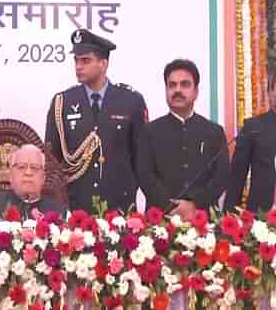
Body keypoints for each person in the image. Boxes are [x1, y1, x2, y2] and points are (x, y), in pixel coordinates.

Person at [45, 29, 147, 213]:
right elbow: (53, 159)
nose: (78, 66)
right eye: (76, 60)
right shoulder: (63, 102)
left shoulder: (131, 101)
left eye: (86, 60)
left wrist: (128, 188)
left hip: (119, 207)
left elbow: (142, 157)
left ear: (103, 63)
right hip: (75, 206)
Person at [137, 59, 229, 220]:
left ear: (196, 92)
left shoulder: (214, 132)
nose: (177, 90)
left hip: (203, 221)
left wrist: (195, 204)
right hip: (159, 222)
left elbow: (221, 177)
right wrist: (171, 206)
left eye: (185, 84)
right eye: (172, 85)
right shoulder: (149, 131)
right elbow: (145, 176)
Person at [225, 69, 276, 213]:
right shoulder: (254, 127)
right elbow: (237, 178)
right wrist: (228, 219)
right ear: (270, 92)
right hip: (260, 221)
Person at [0, 144, 67, 222]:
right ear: (11, 176)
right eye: (21, 167)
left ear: (43, 178)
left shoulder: (62, 214)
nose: (28, 172)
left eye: (35, 167)